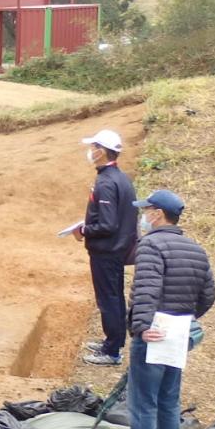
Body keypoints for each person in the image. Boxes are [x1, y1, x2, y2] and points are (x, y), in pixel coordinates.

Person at [98, 190, 215, 429]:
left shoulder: (151, 245)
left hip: (154, 331)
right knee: (168, 396)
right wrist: (187, 319)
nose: (142, 217)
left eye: (146, 211)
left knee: (143, 400)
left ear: (156, 215)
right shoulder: (196, 250)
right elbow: (208, 295)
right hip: (178, 332)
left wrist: (140, 326)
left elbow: (146, 290)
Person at [74, 128, 138, 367]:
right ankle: (113, 341)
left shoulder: (107, 182)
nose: (90, 152)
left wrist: (83, 230)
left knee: (108, 298)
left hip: (107, 250)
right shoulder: (119, 178)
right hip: (116, 249)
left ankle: (111, 351)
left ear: (101, 152)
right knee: (113, 297)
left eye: (93, 148)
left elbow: (108, 224)